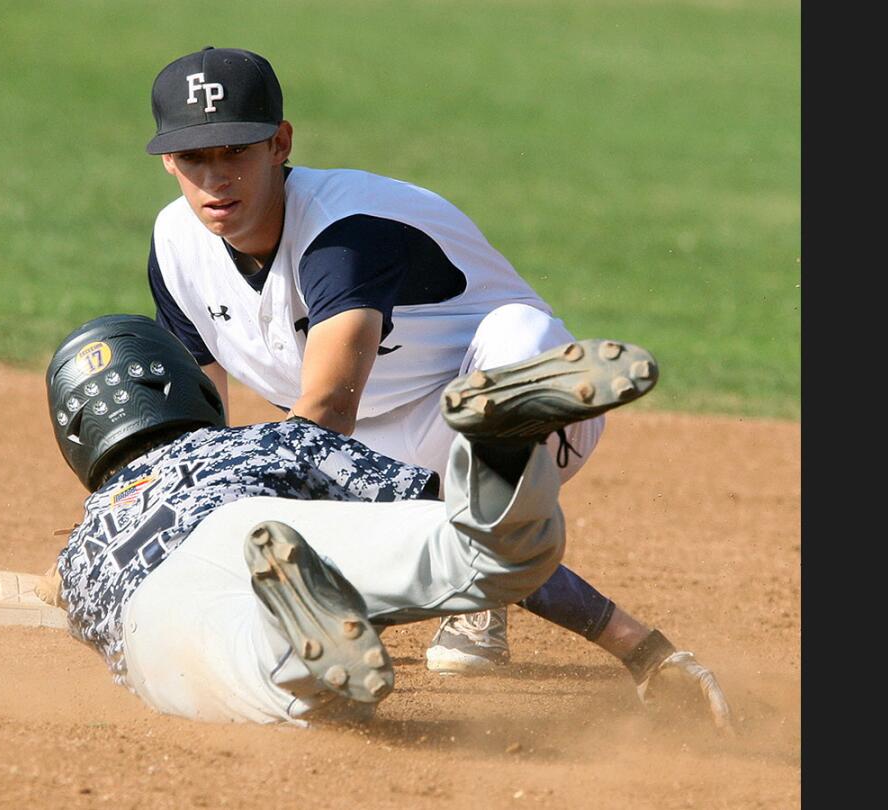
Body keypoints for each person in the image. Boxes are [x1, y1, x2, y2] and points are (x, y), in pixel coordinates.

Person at [142, 46, 647, 673]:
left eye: (236, 152)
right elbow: (200, 433)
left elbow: (326, 412)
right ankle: (417, 565)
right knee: (254, 491)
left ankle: (481, 579)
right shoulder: (175, 248)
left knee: (522, 340)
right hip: (374, 444)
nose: (216, 178)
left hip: (494, 404)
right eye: (194, 156)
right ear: (168, 159)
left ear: (280, 143)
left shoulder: (344, 231)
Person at [43, 313, 731, 732]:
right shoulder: (267, 442)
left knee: (240, 667)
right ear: (183, 387)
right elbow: (422, 509)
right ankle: (499, 455)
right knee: (470, 552)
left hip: (160, 597)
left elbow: (109, 648)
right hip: (266, 521)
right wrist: (641, 649)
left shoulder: (79, 555)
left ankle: (291, 638)